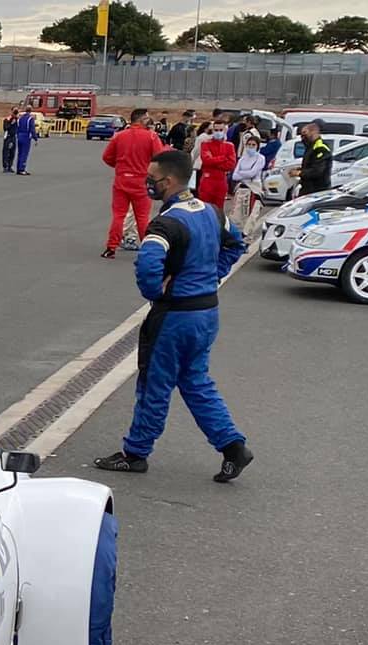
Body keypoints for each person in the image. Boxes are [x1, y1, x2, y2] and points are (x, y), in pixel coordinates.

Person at [93, 149, 251, 484]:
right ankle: (233, 446)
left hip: (175, 317)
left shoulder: (166, 222)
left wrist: (158, 292)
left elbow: (149, 265)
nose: (147, 184)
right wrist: (211, 275)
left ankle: (135, 453)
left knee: (155, 383)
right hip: (206, 311)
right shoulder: (211, 211)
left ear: (168, 181)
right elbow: (237, 244)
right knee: (196, 381)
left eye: (151, 179)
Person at [101, 108, 161, 259]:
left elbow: (107, 157)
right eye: (147, 118)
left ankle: (111, 247)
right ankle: (148, 249)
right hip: (141, 181)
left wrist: (120, 167)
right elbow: (160, 158)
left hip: (122, 179)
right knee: (142, 217)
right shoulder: (151, 137)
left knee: (118, 215)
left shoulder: (119, 136)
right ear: (141, 120)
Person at [196, 124, 236, 216]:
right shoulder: (206, 144)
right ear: (212, 131)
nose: (218, 132)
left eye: (220, 130)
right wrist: (223, 158)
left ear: (225, 131)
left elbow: (231, 165)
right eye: (216, 130)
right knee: (204, 210)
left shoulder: (229, 146)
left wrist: (214, 161)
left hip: (221, 181)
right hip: (207, 181)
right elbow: (206, 160)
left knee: (219, 211)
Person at [296, 119, 332, 196]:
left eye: (305, 134)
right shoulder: (310, 146)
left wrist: (300, 173)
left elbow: (318, 171)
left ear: (313, 132)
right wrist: (300, 169)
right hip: (307, 189)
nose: (302, 138)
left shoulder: (320, 147)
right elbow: (310, 164)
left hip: (317, 190)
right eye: (301, 135)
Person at [14, 106, 36, 175]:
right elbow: (32, 129)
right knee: (24, 153)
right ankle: (22, 169)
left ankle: (18, 168)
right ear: (30, 111)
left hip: (19, 136)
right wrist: (35, 138)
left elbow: (17, 127)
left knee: (19, 153)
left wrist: (17, 135)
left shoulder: (20, 118)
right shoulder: (30, 118)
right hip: (26, 136)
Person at [1, 108, 16, 173]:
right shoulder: (7, 119)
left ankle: (10, 166)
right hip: (8, 137)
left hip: (14, 137)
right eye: (14, 112)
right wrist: (11, 123)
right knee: (6, 152)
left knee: (12, 153)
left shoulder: (17, 119)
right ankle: (5, 166)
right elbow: (5, 128)